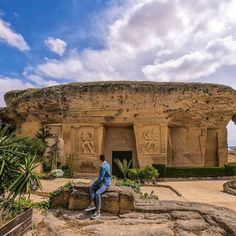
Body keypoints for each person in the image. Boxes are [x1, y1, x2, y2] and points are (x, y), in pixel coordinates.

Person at [85, 154, 111, 219]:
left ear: (100, 159)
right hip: (103, 182)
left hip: (105, 183)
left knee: (97, 193)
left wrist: (95, 183)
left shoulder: (103, 167)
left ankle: (98, 211)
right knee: (91, 188)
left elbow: (101, 178)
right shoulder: (107, 164)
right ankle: (92, 203)